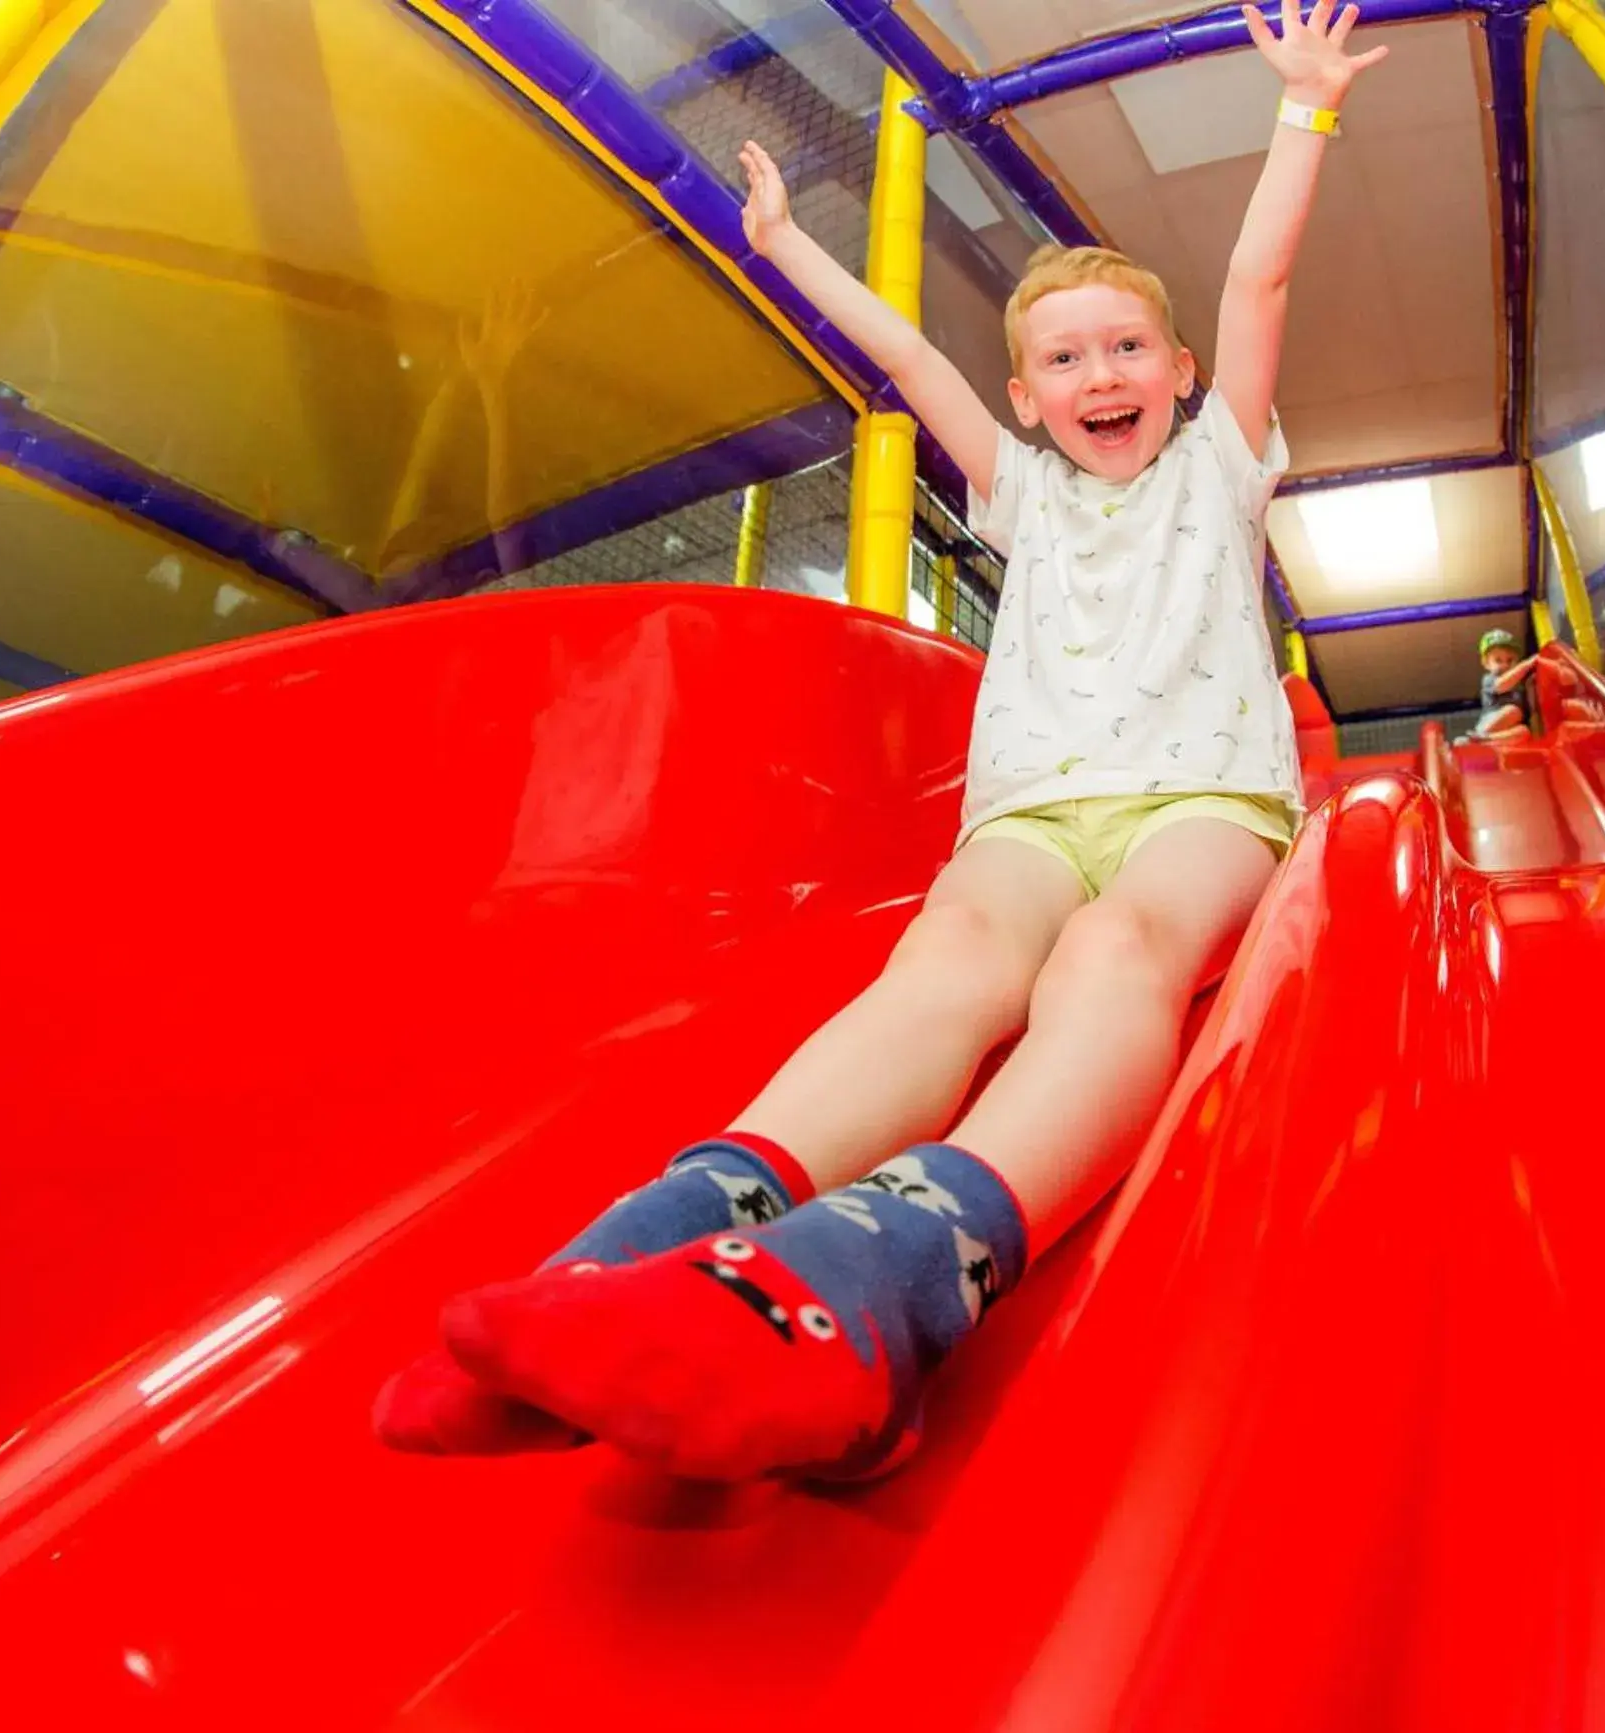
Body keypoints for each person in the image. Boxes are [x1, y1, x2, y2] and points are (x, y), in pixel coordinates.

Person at [374, 0, 1391, 1483]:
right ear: (1032, 403)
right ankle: (678, 1222)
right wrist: (785, 247)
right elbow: (910, 360)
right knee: (947, 966)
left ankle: (906, 1262)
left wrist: (1303, 110)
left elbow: (1261, 274)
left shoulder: (1219, 463)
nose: (1100, 373)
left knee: (1117, 961)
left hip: (1199, 802)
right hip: (1028, 815)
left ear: (1177, 374)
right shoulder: (1023, 491)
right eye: (1064, 360)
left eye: (1127, 348)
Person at [1462, 628, 1539, 745]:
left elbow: (1532, 710)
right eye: (1498, 660)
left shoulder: (1520, 684)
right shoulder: (1489, 679)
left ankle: (1485, 742)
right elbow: (1502, 685)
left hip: (1501, 735)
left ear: (1517, 661)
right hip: (1489, 724)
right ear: (1487, 664)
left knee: (1524, 732)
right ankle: (1477, 737)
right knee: (1513, 711)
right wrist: (1528, 663)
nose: (1505, 665)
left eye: (1510, 660)